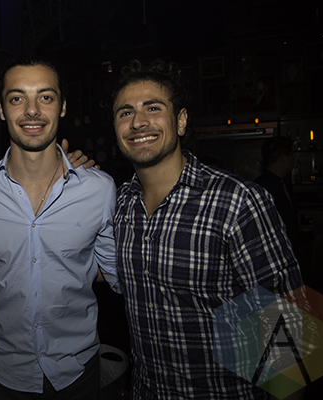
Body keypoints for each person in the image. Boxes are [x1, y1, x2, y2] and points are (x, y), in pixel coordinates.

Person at [111, 59, 303, 399]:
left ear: (181, 120)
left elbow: (286, 339)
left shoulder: (238, 201)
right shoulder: (120, 204)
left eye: (153, 108)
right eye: (125, 112)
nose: (138, 122)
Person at [0, 57, 119, 399]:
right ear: (1, 110)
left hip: (77, 371)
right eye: (17, 98)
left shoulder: (99, 189)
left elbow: (118, 274)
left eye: (45, 97)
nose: (32, 110)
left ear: (63, 107)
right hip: (6, 375)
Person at [254, 136, 300, 248]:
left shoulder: (284, 183)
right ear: (283, 158)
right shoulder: (260, 188)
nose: (293, 160)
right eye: (292, 156)